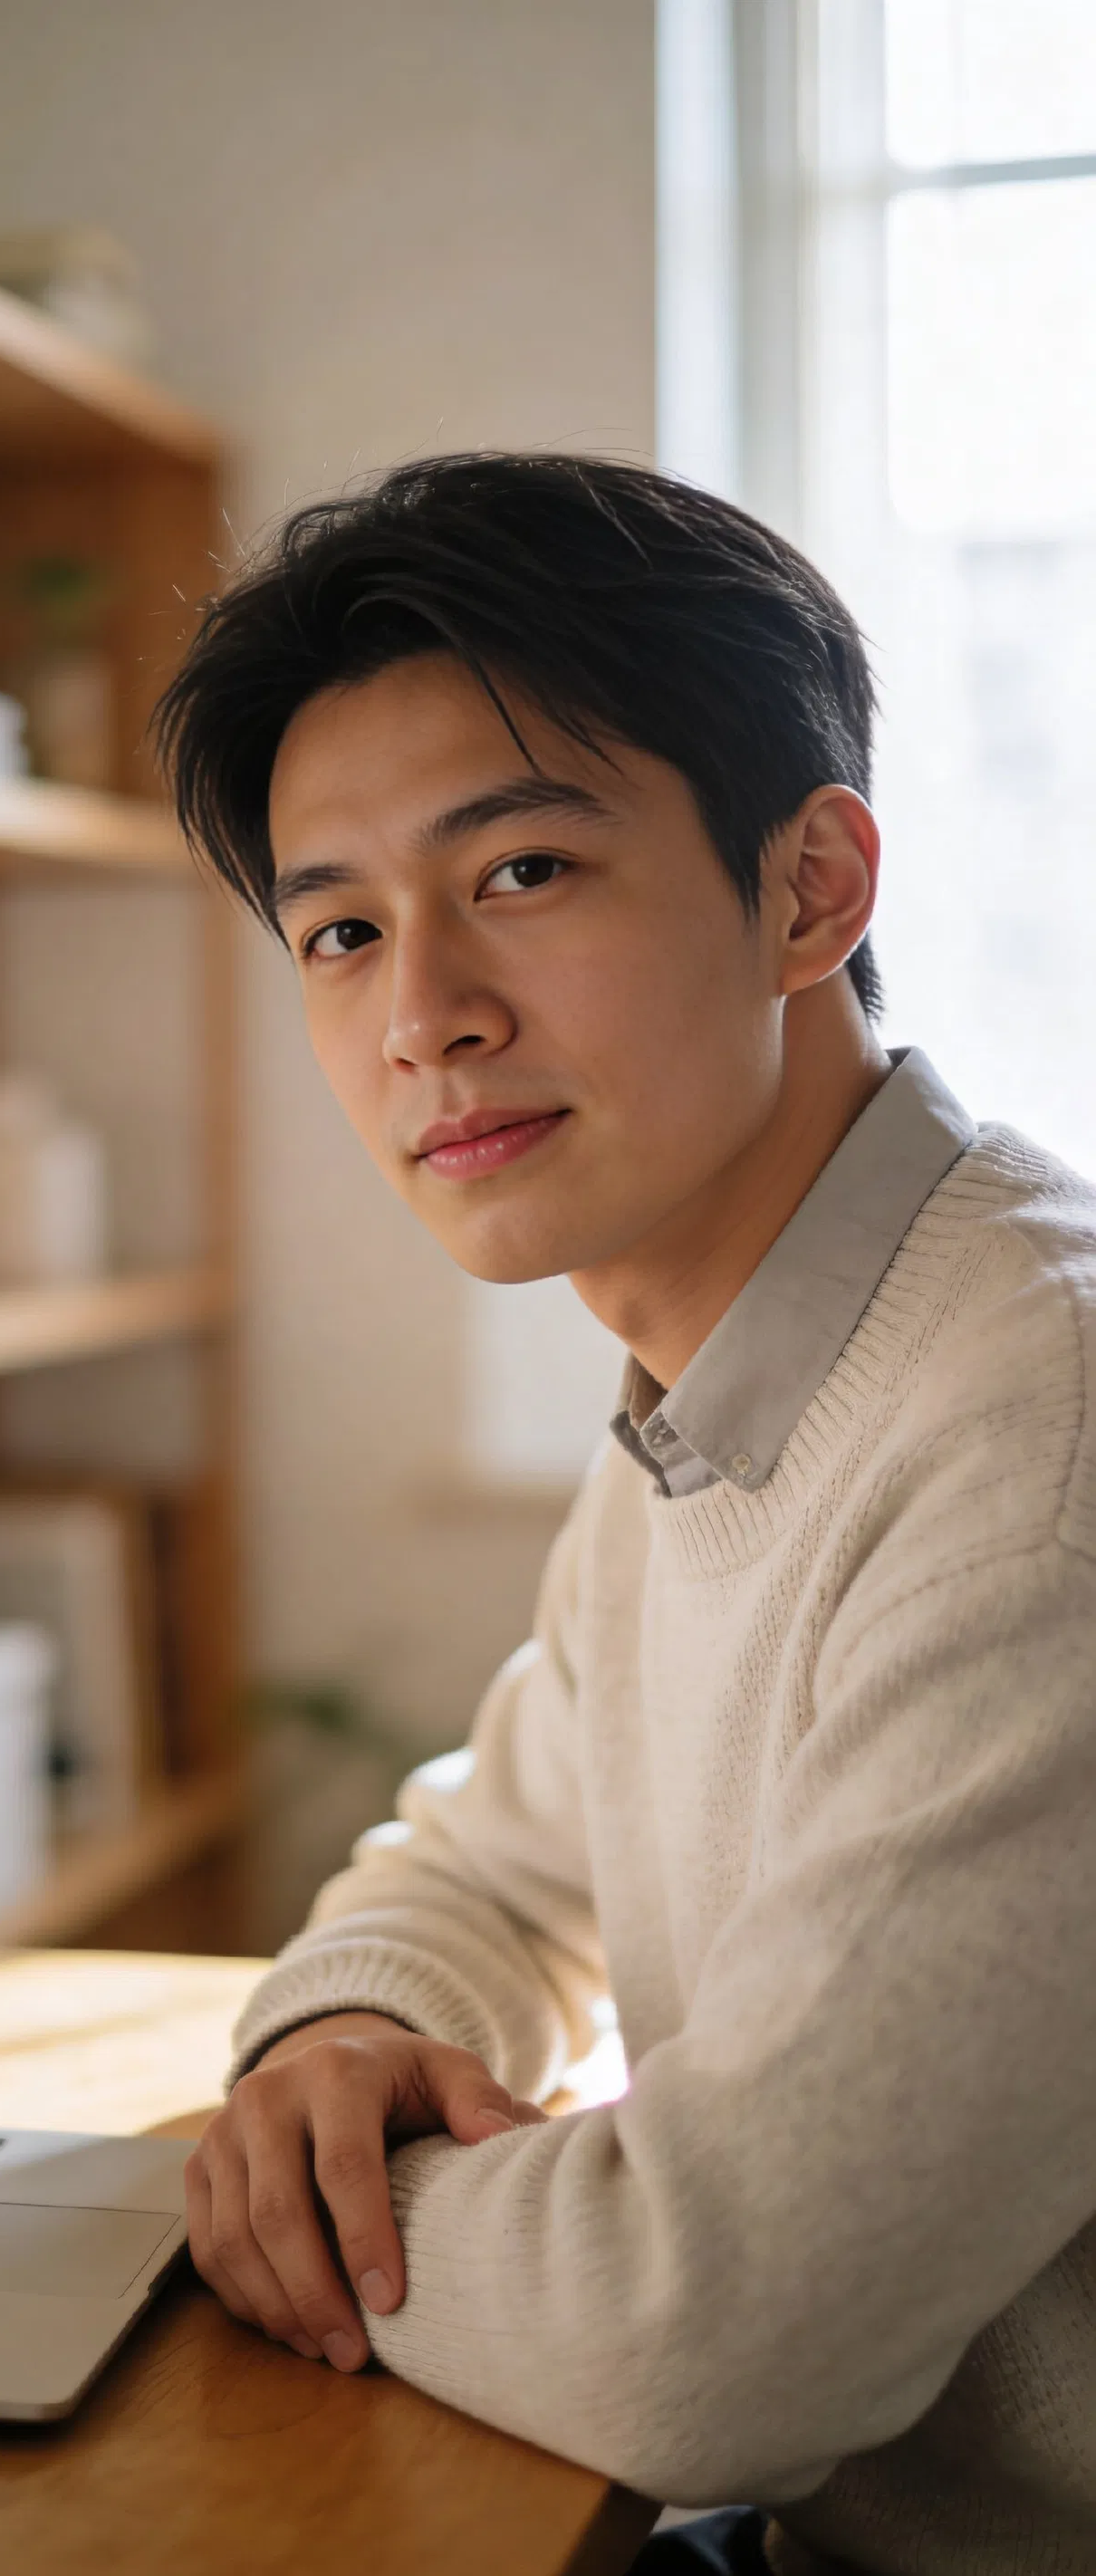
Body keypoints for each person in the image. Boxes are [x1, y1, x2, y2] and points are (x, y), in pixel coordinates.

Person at [152, 454, 1096, 2576]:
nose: (422, 1020)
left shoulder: (1034, 1458)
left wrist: (325, 2219)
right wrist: (342, 2039)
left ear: (806, 891)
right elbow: (492, 1861)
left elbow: (705, 2343)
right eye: (338, 930)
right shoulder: (724, 1367)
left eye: (523, 875)